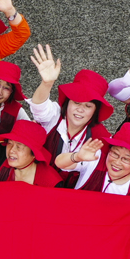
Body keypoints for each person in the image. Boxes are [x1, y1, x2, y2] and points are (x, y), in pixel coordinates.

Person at [26, 46, 112, 180]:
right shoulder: (54, 116)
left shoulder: (100, 137)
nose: (80, 109)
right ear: (67, 102)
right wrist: (47, 83)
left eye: (88, 106)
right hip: (37, 182)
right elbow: (39, 106)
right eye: (76, 102)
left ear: (95, 111)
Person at [0, 104, 61, 186]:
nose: (11, 150)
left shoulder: (51, 182)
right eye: (9, 143)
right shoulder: (0, 156)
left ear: (34, 154)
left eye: (19, 147)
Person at [66, 123, 130, 197]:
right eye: (115, 154)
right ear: (109, 150)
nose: (117, 162)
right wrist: (77, 157)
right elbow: (60, 163)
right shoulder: (96, 159)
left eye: (126, 159)